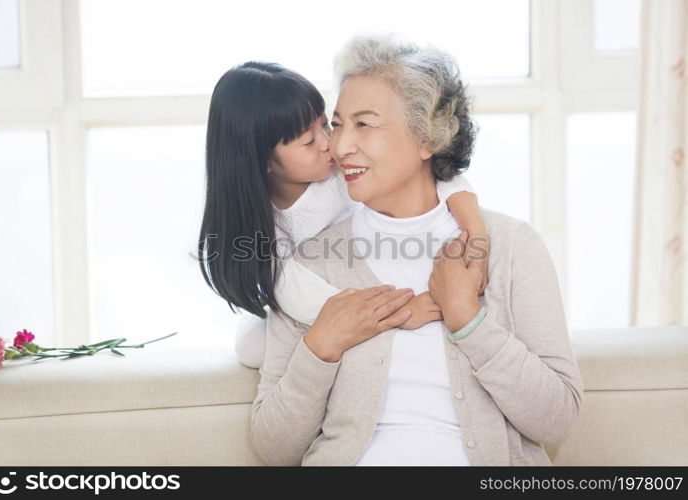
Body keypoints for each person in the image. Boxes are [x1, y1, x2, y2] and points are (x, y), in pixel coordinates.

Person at [249, 34, 584, 466]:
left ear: (427, 138)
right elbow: (274, 448)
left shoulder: (511, 247)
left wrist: (467, 319)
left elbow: (558, 420)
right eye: (337, 123)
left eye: (364, 124)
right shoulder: (310, 265)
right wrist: (321, 345)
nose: (340, 145)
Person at [197, 61, 491, 369]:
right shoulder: (267, 233)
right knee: (254, 348)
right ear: (263, 162)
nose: (330, 144)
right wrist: (403, 314)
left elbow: (441, 176)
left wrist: (475, 230)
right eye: (309, 141)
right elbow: (308, 301)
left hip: (379, 265)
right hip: (330, 301)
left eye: (326, 125)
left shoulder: (341, 167)